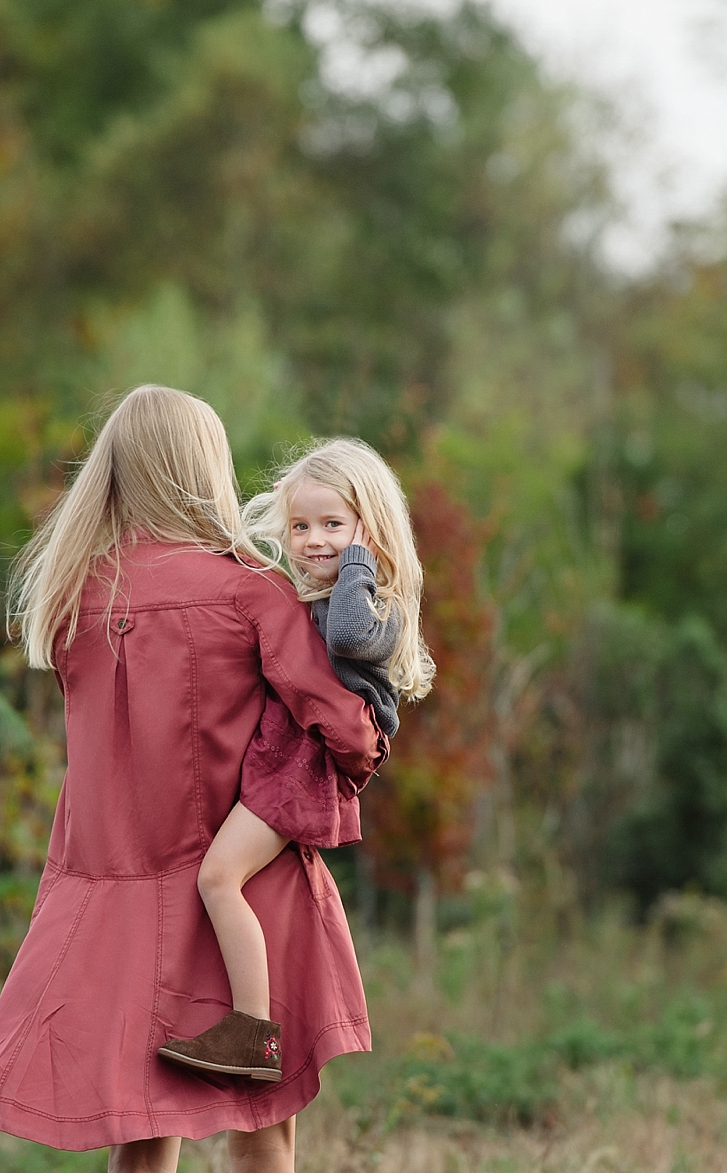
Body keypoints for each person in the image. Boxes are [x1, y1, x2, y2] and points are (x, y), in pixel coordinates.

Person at [0, 387, 385, 1173]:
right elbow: (346, 728)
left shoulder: (69, 597)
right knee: (264, 1123)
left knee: (143, 1132)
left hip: (115, 889)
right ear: (203, 467)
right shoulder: (250, 589)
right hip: (246, 888)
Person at [156, 439, 433, 1082]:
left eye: (334, 525)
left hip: (301, 767)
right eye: (301, 526)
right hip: (281, 756)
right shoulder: (323, 591)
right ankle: (249, 1024)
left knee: (217, 878)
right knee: (223, 878)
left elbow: (347, 640)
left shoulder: (375, 600)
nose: (314, 540)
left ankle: (253, 1031)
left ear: (369, 526)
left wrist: (360, 558)